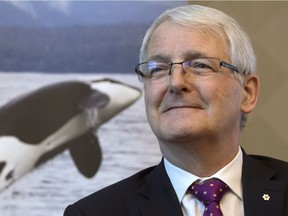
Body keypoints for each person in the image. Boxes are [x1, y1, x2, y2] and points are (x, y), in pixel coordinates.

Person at [64, 5, 288, 216]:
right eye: (158, 68)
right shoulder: (95, 213)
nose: (175, 82)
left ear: (247, 93)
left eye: (200, 65)